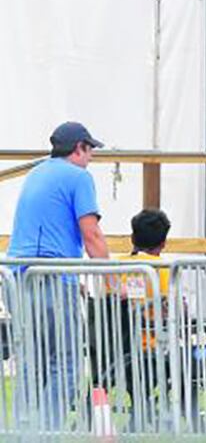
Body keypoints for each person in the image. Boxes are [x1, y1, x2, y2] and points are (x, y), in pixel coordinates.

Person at [8, 122, 108, 428]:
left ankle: (22, 430)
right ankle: (48, 431)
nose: (91, 157)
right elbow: (91, 235)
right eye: (89, 150)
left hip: (16, 279)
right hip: (52, 277)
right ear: (78, 148)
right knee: (65, 363)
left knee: (30, 363)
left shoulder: (36, 173)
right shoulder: (79, 177)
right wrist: (114, 278)